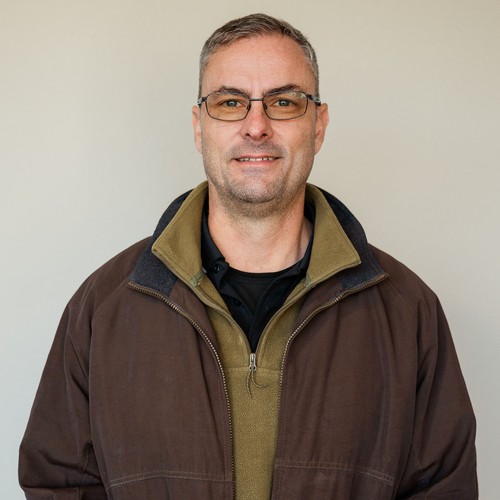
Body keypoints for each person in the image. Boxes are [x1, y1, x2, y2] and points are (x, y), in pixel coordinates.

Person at [19, 13, 477, 500]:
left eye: (284, 102)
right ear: (199, 127)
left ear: (318, 126)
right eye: (230, 102)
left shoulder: (406, 311)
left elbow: (443, 489)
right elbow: (59, 483)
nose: (256, 126)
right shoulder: (105, 306)